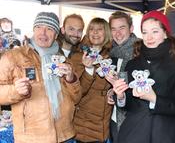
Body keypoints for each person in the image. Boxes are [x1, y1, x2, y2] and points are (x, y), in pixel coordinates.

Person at [0, 12, 81, 143]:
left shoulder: (64, 60)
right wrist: (16, 91)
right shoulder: (13, 56)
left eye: (49, 29)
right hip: (32, 138)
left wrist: (71, 79)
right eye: (39, 27)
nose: (43, 33)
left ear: (56, 35)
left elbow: (76, 98)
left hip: (65, 135)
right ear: (33, 29)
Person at [112, 10, 175, 143]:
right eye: (145, 32)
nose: (149, 37)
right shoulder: (132, 64)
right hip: (134, 133)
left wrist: (154, 99)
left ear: (165, 33)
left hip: (164, 134)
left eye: (155, 31)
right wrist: (121, 97)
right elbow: (129, 104)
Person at [73, 17, 113, 143]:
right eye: (91, 29)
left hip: (105, 125)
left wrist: (113, 90)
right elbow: (77, 91)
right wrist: (88, 70)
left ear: (106, 32)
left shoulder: (112, 57)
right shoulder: (78, 57)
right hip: (84, 125)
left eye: (99, 29)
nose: (95, 32)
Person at [106, 11, 139, 143]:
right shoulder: (113, 53)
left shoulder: (139, 52)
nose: (117, 33)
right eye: (113, 29)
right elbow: (115, 84)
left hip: (133, 120)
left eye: (122, 28)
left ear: (131, 29)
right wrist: (111, 91)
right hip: (114, 118)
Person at [56, 13, 85, 143]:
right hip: (50, 123)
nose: (75, 33)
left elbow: (81, 90)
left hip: (71, 125)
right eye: (71, 29)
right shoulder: (50, 51)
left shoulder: (83, 56)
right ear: (63, 30)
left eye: (79, 30)